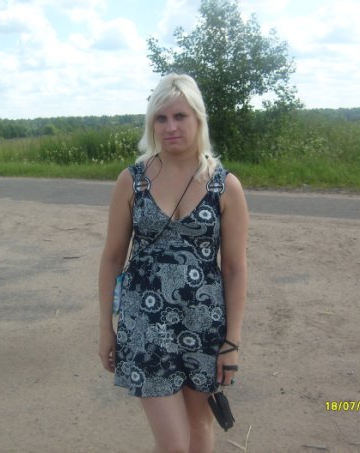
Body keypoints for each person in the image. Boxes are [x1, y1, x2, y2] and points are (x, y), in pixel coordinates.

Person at [98, 73, 248, 453]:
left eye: (180, 116)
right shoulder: (133, 182)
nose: (170, 127)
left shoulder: (224, 186)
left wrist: (231, 341)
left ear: (198, 119)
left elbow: (234, 269)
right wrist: (105, 328)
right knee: (174, 445)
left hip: (204, 327)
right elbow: (112, 258)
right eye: (161, 118)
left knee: (200, 429)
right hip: (145, 327)